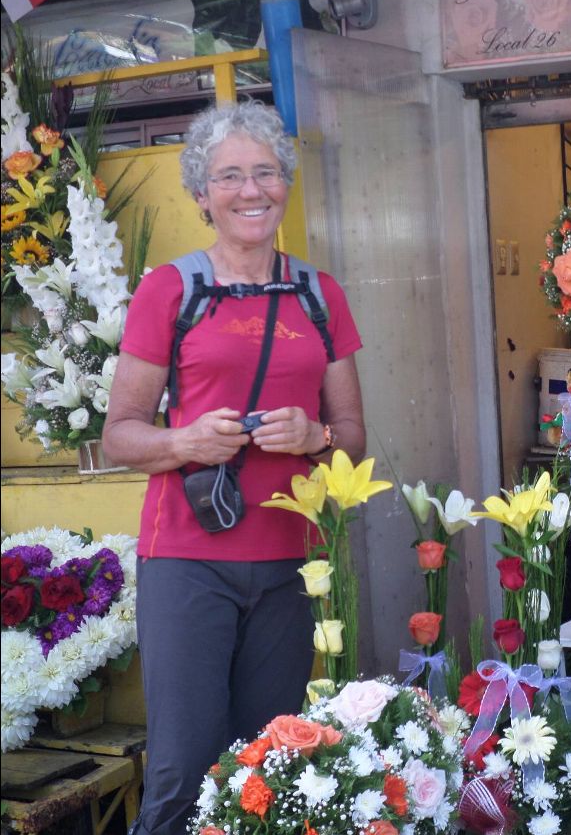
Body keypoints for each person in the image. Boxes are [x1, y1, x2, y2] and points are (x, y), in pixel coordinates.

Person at [103, 100, 365, 835]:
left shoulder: (320, 294)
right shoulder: (170, 290)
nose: (251, 190)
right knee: (183, 767)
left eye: (266, 173)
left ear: (285, 184)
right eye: (229, 176)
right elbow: (120, 435)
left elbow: (351, 439)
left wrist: (313, 434)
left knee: (268, 764)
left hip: (290, 563)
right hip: (188, 560)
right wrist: (186, 441)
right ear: (201, 194)